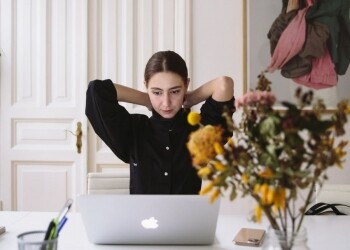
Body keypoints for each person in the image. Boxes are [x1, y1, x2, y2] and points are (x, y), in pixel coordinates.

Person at [85, 50, 235, 194]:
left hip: (188, 220)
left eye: (175, 91)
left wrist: (192, 97)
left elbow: (224, 84)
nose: (166, 102)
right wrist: (145, 99)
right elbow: (96, 91)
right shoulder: (134, 131)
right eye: (157, 92)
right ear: (146, 86)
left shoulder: (199, 133)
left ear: (186, 85)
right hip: (141, 220)